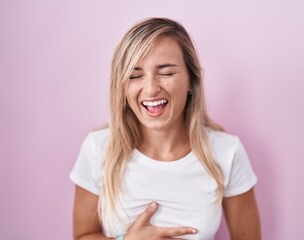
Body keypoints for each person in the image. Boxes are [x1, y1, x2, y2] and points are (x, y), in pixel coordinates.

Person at [70, 17, 261, 240]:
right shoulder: (98, 148)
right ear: (122, 86)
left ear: (191, 80)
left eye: (166, 73)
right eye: (135, 75)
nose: (150, 89)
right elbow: (83, 235)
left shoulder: (227, 152)